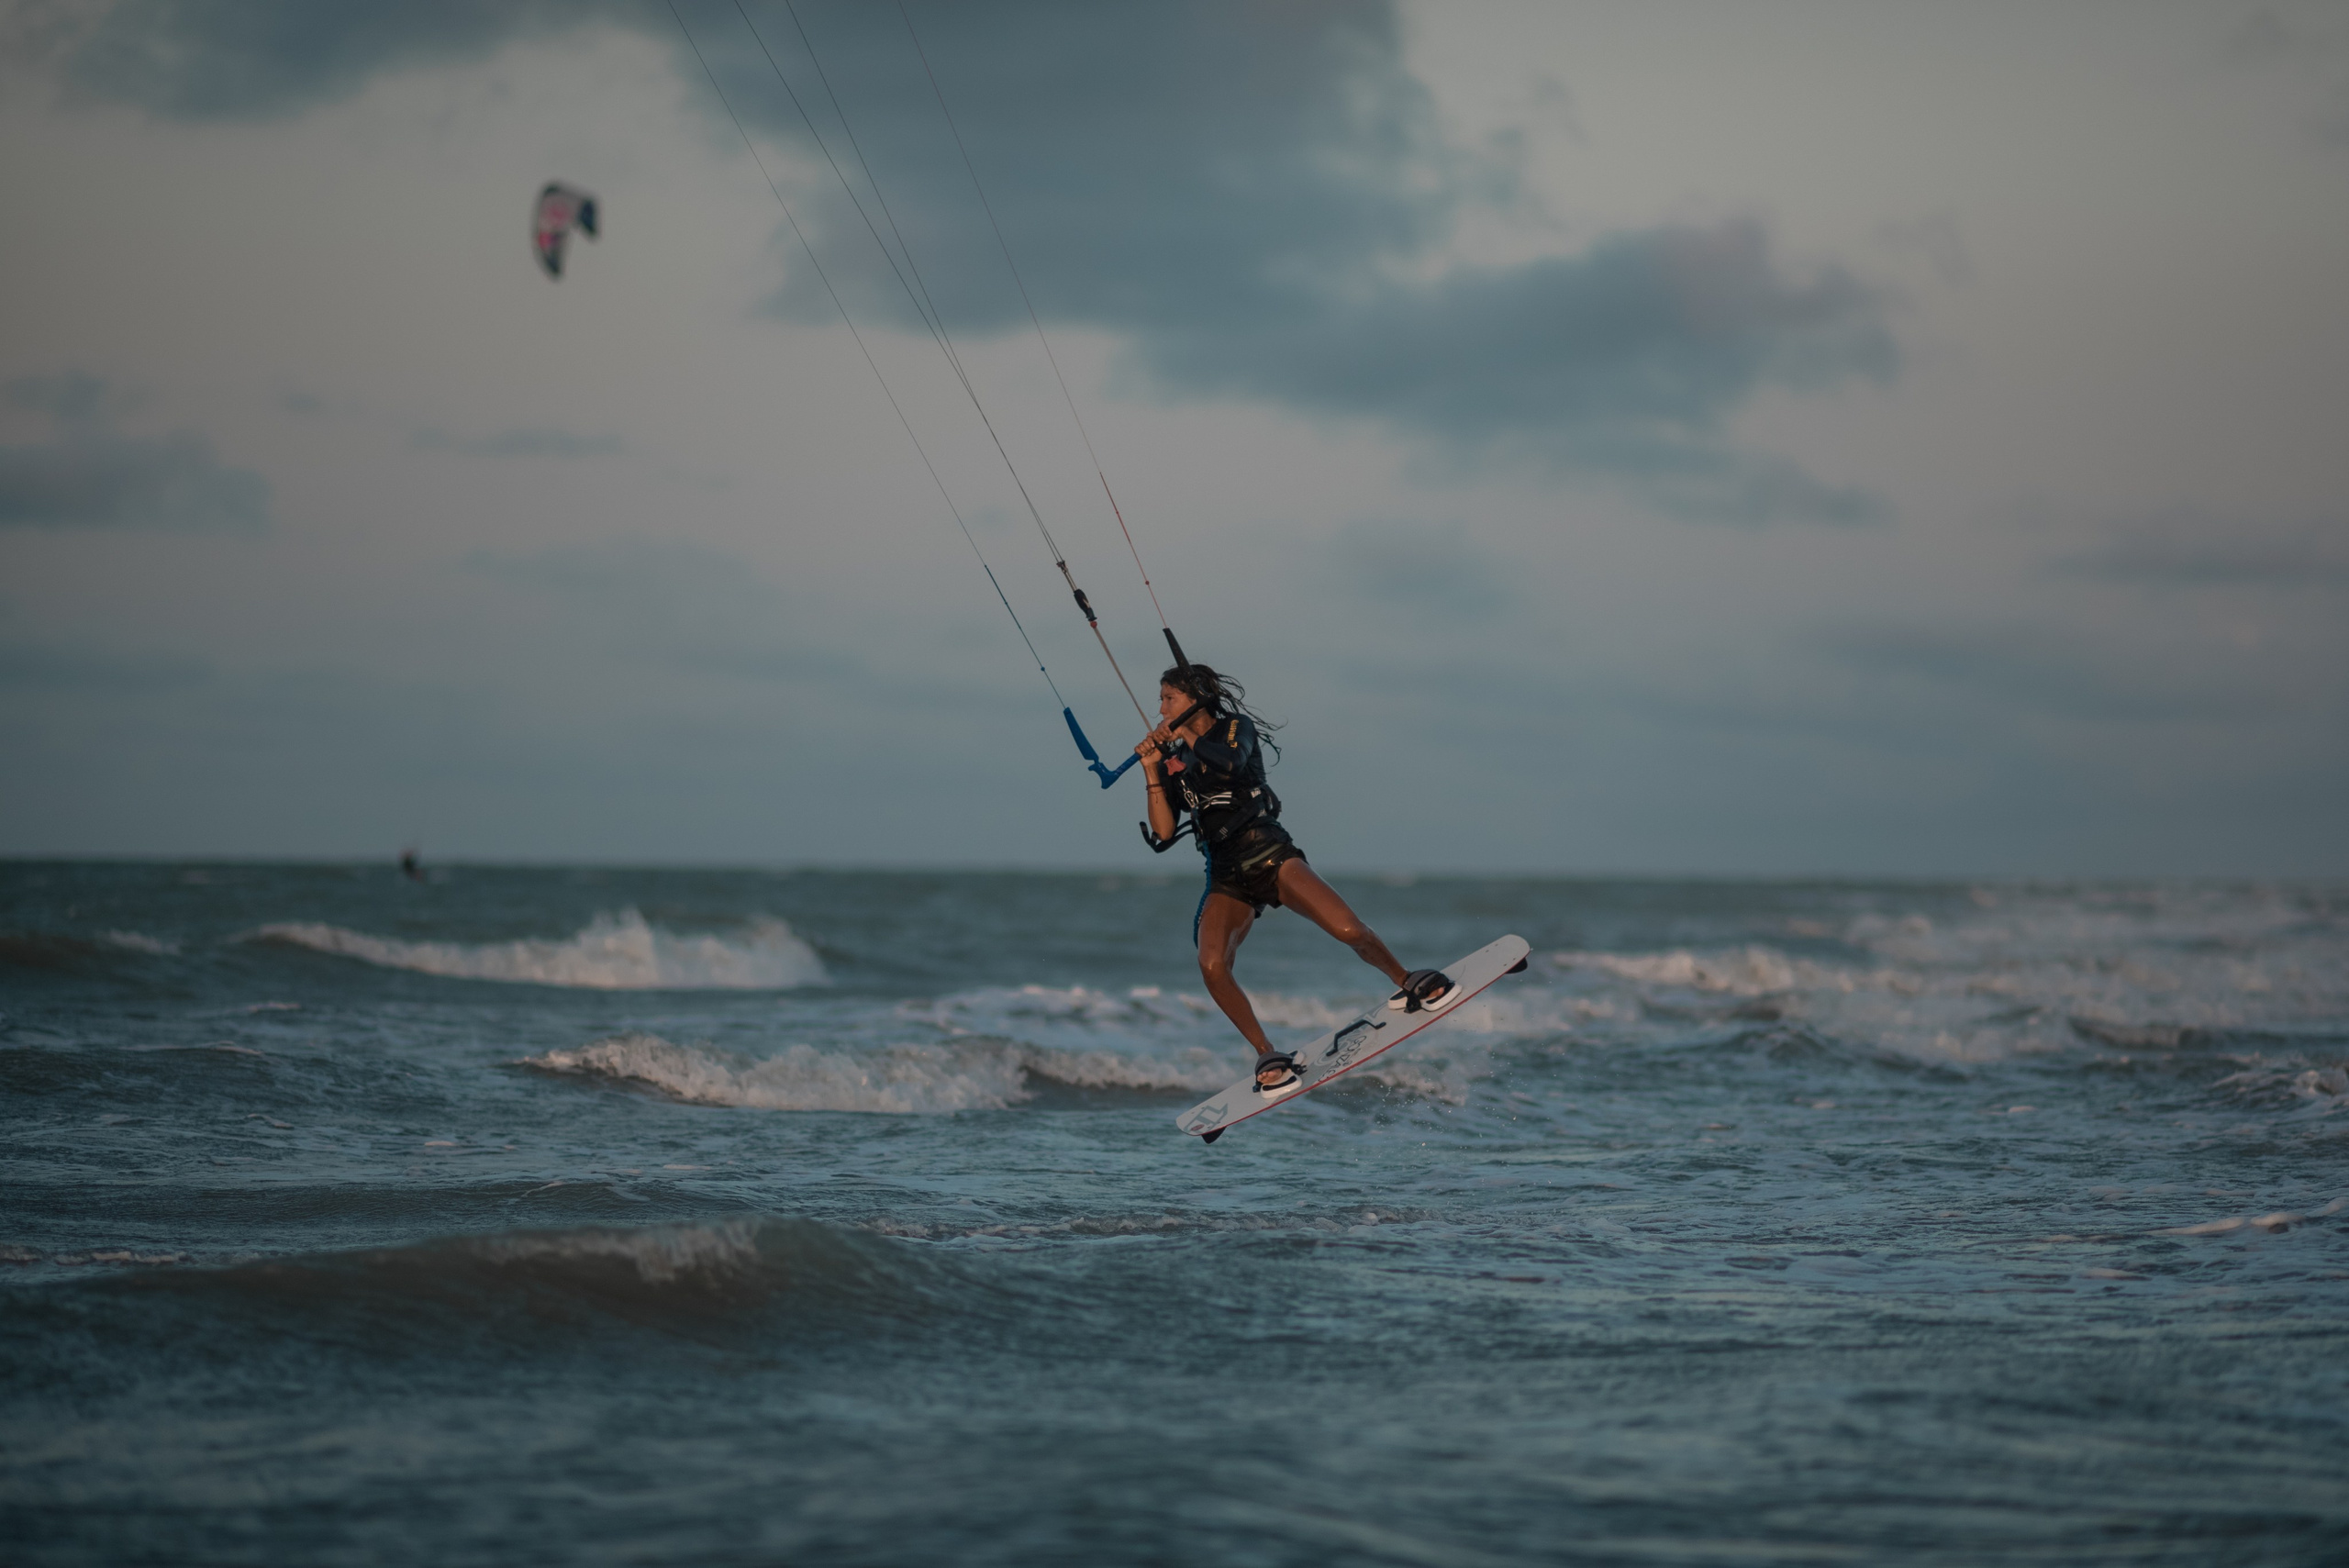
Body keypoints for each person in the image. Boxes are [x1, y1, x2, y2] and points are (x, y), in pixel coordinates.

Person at [1135, 662, 1456, 1094]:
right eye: (1160, 699)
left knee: (1348, 929)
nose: (1159, 707)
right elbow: (1164, 831)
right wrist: (1153, 769)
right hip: (1226, 876)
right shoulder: (1180, 760)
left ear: (1195, 698)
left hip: (1270, 855)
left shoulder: (1235, 729)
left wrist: (1186, 735)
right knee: (1212, 965)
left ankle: (1405, 980)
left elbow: (1230, 765)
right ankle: (1267, 1052)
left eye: (1167, 698)